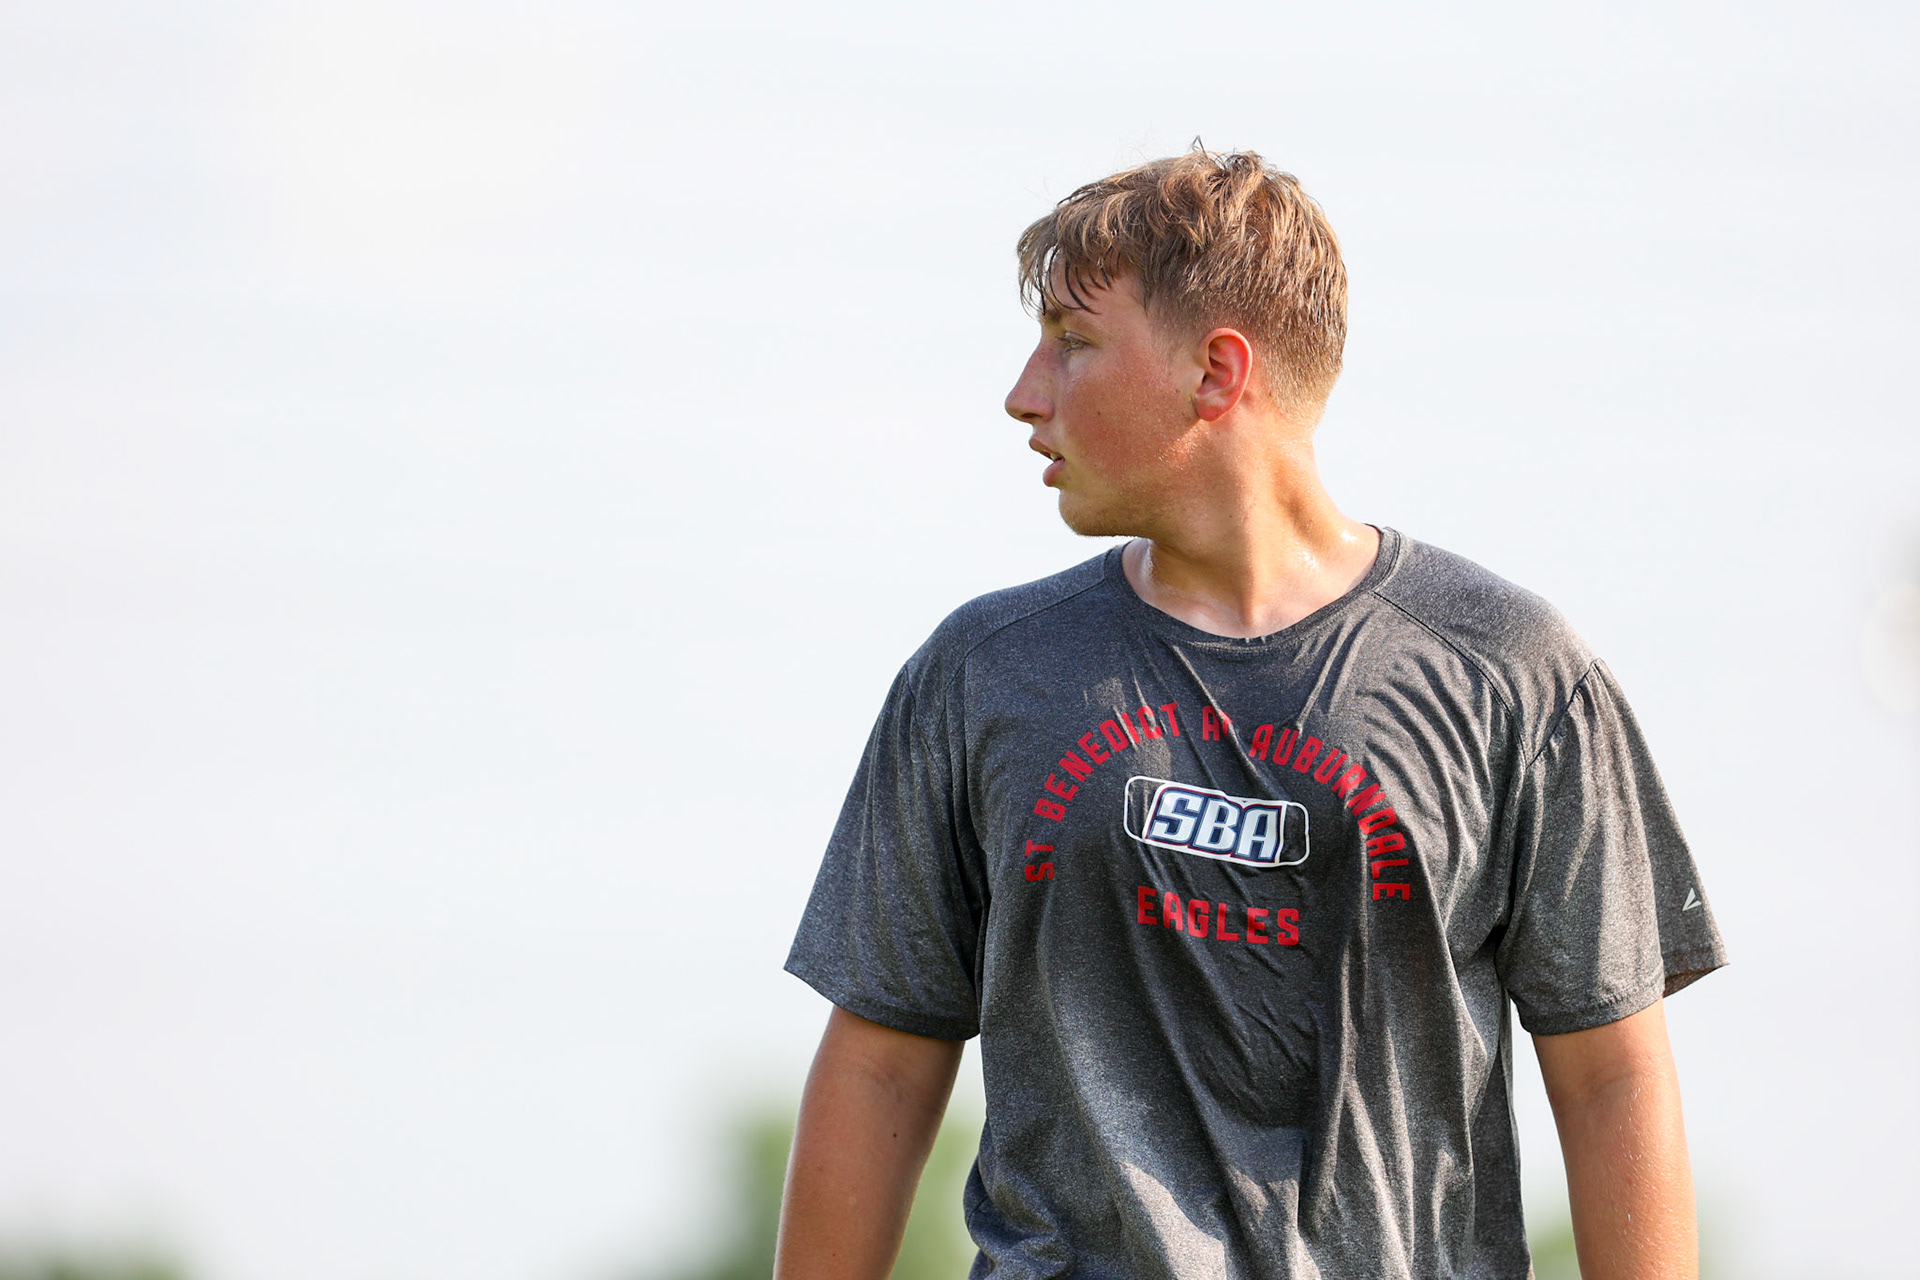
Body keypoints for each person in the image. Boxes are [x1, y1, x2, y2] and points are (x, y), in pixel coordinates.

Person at [777, 148, 1727, 1280]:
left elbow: (1613, 1075)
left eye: (1073, 342)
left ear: (1217, 373)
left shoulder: (1512, 672)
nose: (1025, 392)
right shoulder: (981, 672)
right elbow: (881, 1062)